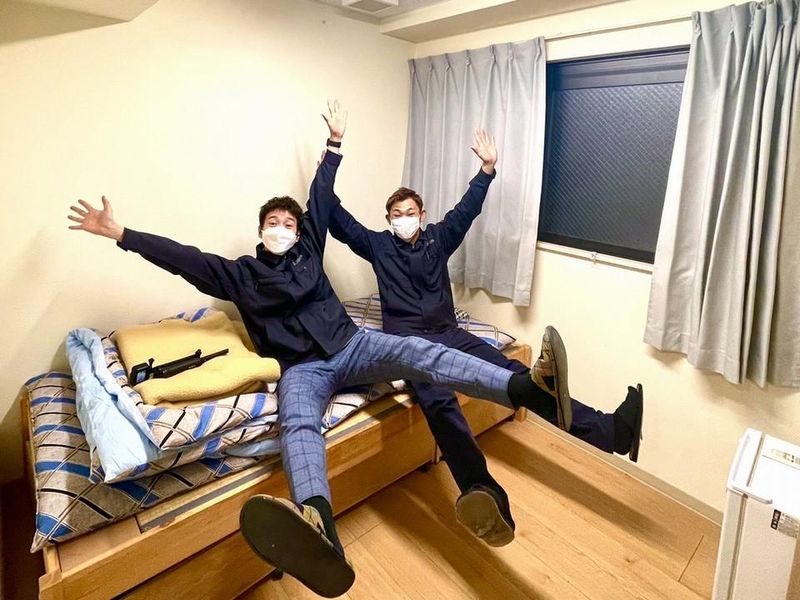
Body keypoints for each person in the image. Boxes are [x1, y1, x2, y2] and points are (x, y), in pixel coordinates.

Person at [67, 102, 628, 598]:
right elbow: (184, 257)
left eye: (289, 222)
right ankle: (319, 525)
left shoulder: (317, 247)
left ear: (300, 230)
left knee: (419, 353)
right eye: (273, 223)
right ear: (260, 231)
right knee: (298, 423)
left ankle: (525, 386)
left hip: (354, 345)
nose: (283, 227)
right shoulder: (239, 275)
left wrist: (334, 146)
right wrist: (123, 235)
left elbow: (321, 202)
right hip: (302, 370)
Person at [328, 128, 644, 547]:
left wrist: (487, 169)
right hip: (410, 347)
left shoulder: (438, 237)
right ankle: (481, 490)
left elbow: (467, 210)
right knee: (440, 402)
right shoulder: (378, 245)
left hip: (450, 333)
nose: (404, 219)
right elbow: (335, 218)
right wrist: (331, 151)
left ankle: (612, 432)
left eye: (410, 212)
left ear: (422, 215)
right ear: (389, 220)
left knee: (522, 376)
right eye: (396, 214)